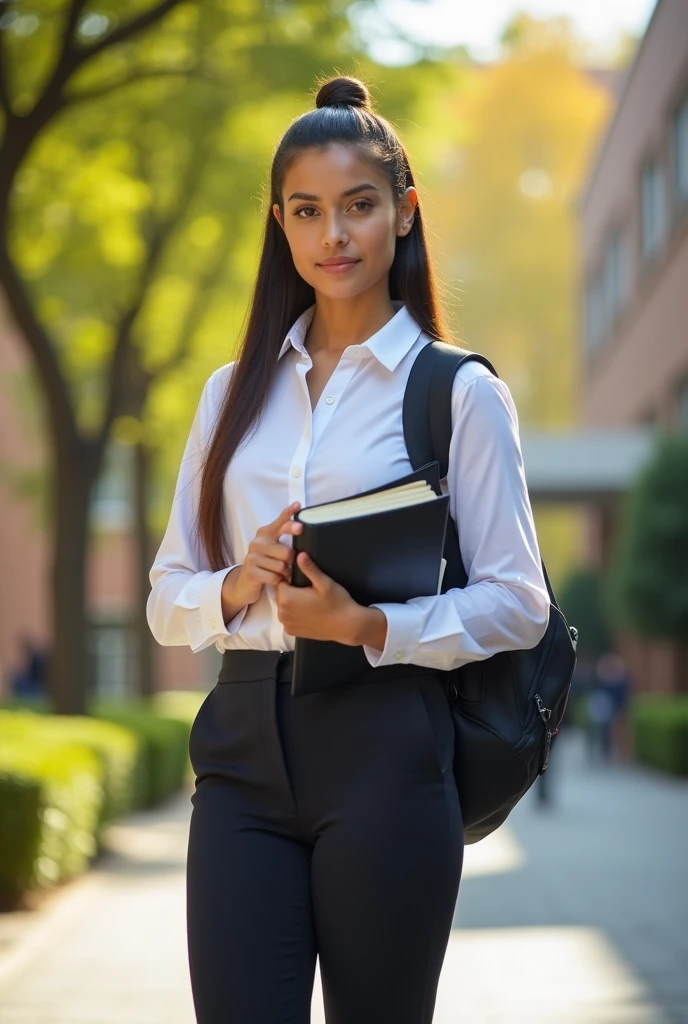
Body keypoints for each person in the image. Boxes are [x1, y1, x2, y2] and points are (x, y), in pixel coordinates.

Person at [146, 75, 550, 1024]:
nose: (335, 235)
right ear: (280, 225)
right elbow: (168, 596)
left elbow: (519, 599)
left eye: (359, 207)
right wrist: (235, 582)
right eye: (308, 211)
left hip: (388, 748)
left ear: (404, 214)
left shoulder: (459, 393)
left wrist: (371, 624)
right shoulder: (229, 395)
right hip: (241, 751)